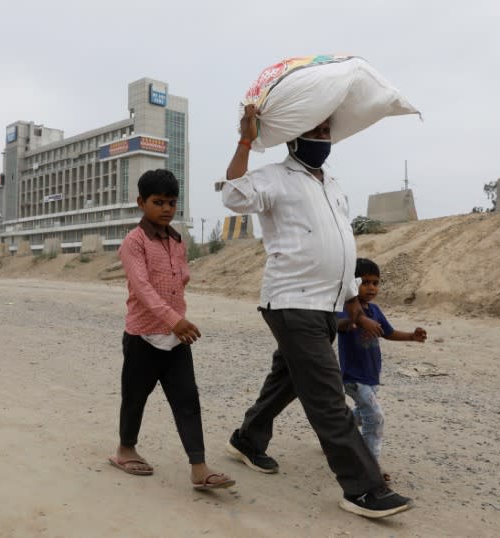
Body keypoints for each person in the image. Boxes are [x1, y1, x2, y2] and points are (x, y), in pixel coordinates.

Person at [220, 104, 412, 518]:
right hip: (291, 300)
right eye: (314, 130)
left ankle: (248, 440)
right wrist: (246, 139)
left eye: (327, 131)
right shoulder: (274, 177)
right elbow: (233, 195)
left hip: (326, 305)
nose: (322, 137)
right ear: (293, 136)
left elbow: (341, 251)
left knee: (288, 378)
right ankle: (363, 488)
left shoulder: (335, 186)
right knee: (326, 395)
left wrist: (354, 308)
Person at [109, 169, 235, 491]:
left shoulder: (177, 239)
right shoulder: (133, 243)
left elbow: (181, 276)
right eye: (158, 202)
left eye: (171, 202)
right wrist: (172, 318)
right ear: (141, 202)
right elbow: (142, 288)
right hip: (143, 336)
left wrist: (177, 315)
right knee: (135, 398)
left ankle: (199, 468)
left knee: (187, 399)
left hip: (176, 338)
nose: (166, 208)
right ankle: (125, 450)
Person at [337, 258, 427, 482]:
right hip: (353, 378)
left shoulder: (375, 310)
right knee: (375, 418)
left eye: (375, 283)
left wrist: (411, 337)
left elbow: (388, 332)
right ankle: (369, 468)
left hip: (371, 376)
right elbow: (338, 324)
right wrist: (356, 321)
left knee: (362, 414)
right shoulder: (346, 308)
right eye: (365, 282)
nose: (371, 287)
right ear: (352, 283)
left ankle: (335, 431)